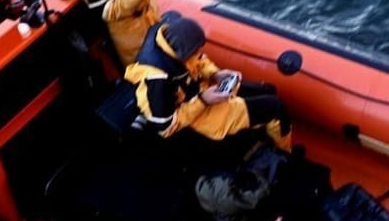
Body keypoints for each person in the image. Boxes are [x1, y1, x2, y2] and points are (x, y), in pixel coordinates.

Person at [125, 14, 292, 149]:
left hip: (202, 93)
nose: (199, 52)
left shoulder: (171, 44)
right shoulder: (158, 83)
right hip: (200, 118)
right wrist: (204, 100)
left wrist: (215, 75)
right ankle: (284, 152)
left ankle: (260, 134)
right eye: (195, 50)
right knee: (277, 108)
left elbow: (199, 60)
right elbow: (165, 128)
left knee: (268, 90)